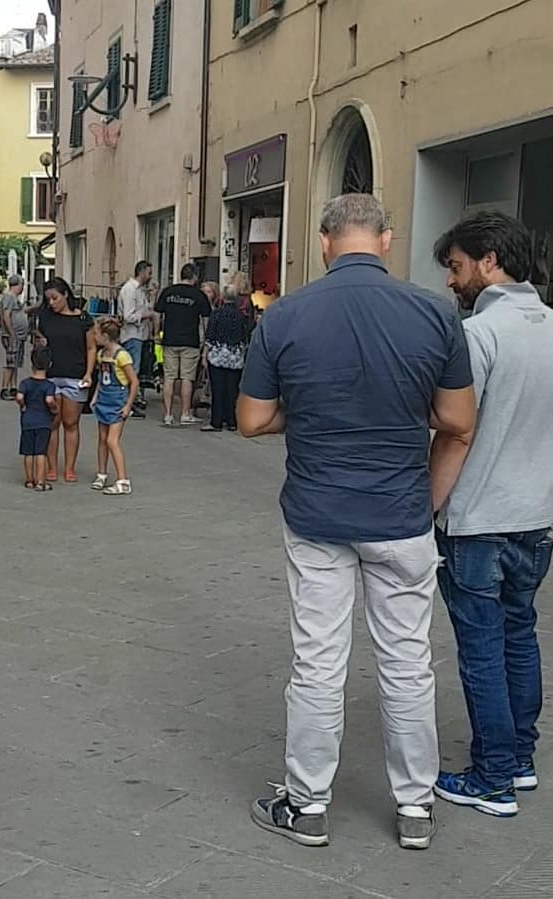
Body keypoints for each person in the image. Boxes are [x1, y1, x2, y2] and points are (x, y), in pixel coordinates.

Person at [238, 194, 476, 851]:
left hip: (317, 515)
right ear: (386, 240)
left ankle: (307, 804)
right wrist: (424, 503)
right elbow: (457, 424)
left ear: (322, 243)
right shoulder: (434, 313)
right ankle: (414, 806)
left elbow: (252, 419)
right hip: (400, 515)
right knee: (408, 663)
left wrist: (304, 415)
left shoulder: (284, 315)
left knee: (317, 662)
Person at [430, 211, 553, 818]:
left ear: (488, 261)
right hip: (537, 514)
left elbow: (456, 431)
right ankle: (521, 758)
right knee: (519, 633)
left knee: (481, 647)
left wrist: (427, 507)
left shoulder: (478, 336)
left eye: (455, 267)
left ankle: (493, 776)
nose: (452, 282)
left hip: (479, 515)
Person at [37, 277, 95, 483]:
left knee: (71, 422)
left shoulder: (83, 319)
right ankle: (52, 467)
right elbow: (39, 345)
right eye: (48, 299)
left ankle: (70, 467)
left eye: (55, 298)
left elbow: (91, 347)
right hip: (51, 376)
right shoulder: (45, 317)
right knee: (53, 422)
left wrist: (89, 373)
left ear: (65, 295)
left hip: (75, 375)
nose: (51, 303)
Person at [155, 263, 210, 426]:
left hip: (170, 340)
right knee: (187, 378)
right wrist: (206, 341)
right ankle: (185, 414)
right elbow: (206, 320)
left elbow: (157, 314)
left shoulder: (168, 292)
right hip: (190, 341)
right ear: (194, 277)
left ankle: (168, 415)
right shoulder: (199, 295)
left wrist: (157, 334)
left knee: (169, 377)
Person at [90, 317, 139, 496]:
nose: (93, 337)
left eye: (96, 334)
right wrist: (95, 396)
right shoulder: (102, 354)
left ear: (105, 336)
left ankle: (123, 480)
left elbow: (133, 382)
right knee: (102, 440)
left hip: (117, 402)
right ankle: (101, 474)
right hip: (104, 399)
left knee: (112, 440)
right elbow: (102, 379)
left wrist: (128, 405)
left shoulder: (122, 355)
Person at [201, 283, 247, 433]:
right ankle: (232, 421)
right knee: (232, 391)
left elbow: (210, 335)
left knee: (218, 389)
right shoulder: (241, 315)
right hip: (235, 357)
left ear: (223, 296)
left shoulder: (217, 313)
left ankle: (217, 422)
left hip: (218, 356)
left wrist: (204, 354)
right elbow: (245, 336)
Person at [16, 345, 57, 492]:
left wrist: (23, 405)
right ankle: (41, 482)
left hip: (27, 420)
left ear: (32, 363)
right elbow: (49, 400)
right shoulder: (49, 385)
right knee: (41, 452)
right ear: (49, 364)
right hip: (43, 421)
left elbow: (19, 397)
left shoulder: (25, 383)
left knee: (28, 452)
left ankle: (29, 480)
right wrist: (54, 409)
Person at [118, 261, 154, 416]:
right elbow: (128, 315)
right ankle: (127, 404)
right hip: (132, 334)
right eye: (149, 273)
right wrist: (145, 315)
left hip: (139, 334)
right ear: (142, 272)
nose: (150, 276)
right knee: (131, 370)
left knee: (134, 370)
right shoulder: (130, 290)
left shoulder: (139, 290)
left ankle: (130, 401)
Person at [0, 275, 29, 401]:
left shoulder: (15, 298)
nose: (22, 288)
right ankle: (4, 388)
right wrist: (11, 333)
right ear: (17, 285)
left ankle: (13, 386)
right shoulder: (9, 297)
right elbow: (6, 315)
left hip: (18, 335)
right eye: (21, 285)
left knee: (16, 362)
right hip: (13, 335)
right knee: (11, 362)